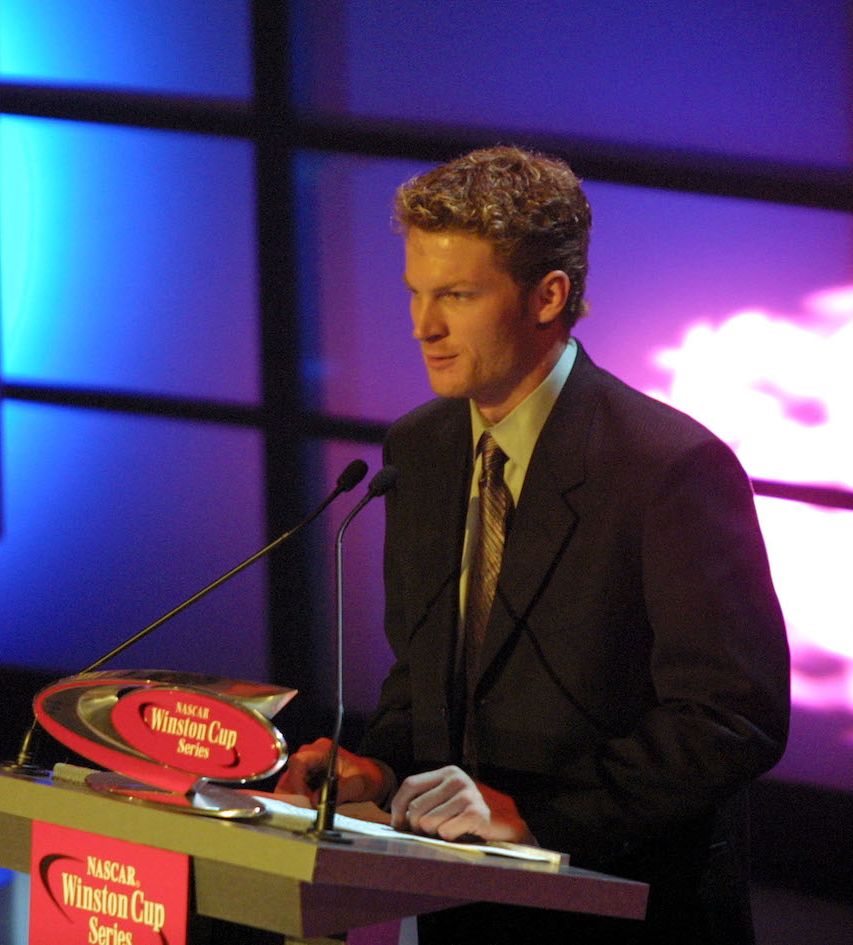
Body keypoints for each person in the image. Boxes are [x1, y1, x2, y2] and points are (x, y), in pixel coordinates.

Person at [277, 146, 790, 944]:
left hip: (630, 906)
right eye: (414, 292)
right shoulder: (419, 447)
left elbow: (732, 718)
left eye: (456, 295)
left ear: (548, 296)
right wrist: (377, 768)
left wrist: (539, 819)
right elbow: (424, 679)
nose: (423, 327)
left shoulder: (670, 468)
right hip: (460, 910)